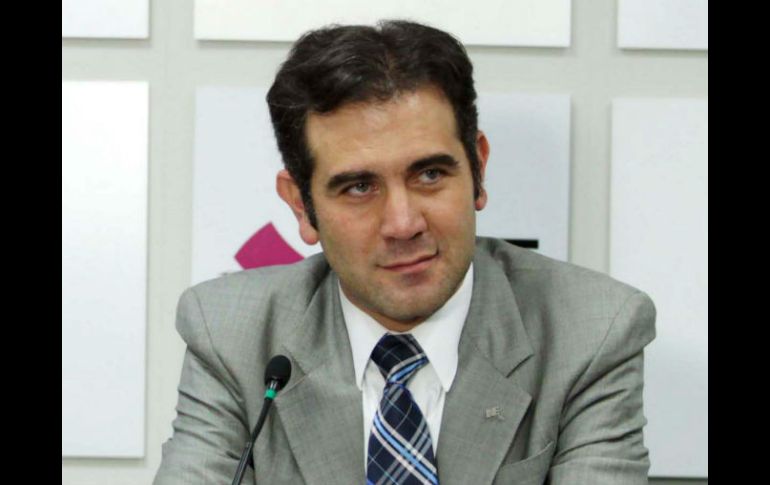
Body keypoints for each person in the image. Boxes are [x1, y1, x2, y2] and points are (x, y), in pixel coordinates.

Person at [154, 20, 656, 485]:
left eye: (430, 174)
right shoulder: (231, 336)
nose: (403, 224)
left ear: (478, 170)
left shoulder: (591, 333)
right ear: (302, 206)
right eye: (358, 187)